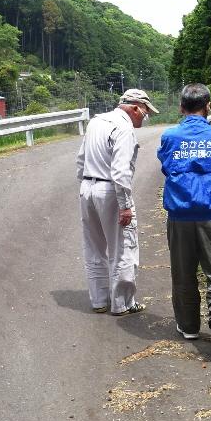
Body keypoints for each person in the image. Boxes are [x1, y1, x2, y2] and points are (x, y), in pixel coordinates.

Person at [157, 83, 211, 353]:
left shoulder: (170, 136)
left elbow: (166, 167)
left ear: (181, 107)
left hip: (180, 216)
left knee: (183, 273)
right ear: (208, 106)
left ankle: (189, 326)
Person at [76, 89, 159, 316]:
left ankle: (99, 300)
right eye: (145, 111)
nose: (146, 116)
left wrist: (84, 189)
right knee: (123, 247)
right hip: (110, 190)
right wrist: (125, 206)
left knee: (94, 247)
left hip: (88, 186)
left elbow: (80, 159)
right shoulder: (124, 128)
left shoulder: (96, 122)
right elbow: (121, 172)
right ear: (134, 108)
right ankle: (122, 303)